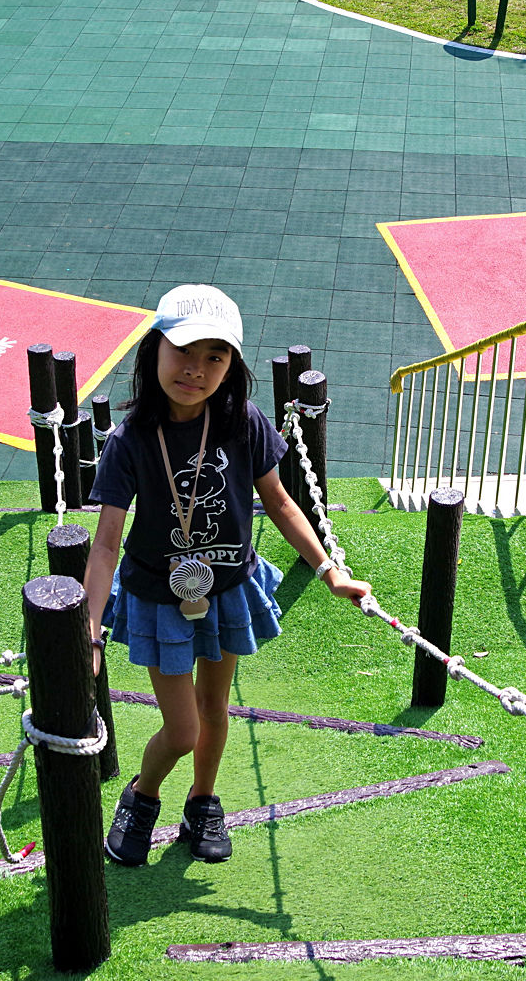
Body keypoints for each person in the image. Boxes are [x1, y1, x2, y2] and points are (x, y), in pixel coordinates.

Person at [85, 284, 371, 867]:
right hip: (159, 596)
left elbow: (283, 504)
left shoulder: (242, 420)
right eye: (184, 352)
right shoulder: (132, 437)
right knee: (183, 728)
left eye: (215, 357)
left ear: (232, 367)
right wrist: (89, 632)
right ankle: (141, 796)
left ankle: (202, 801)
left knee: (216, 709)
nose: (196, 369)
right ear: (153, 351)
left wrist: (329, 571)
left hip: (227, 589)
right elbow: (107, 542)